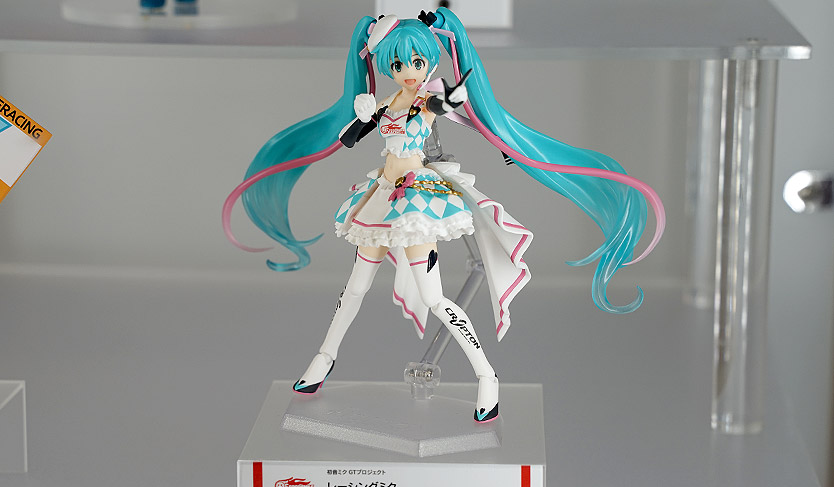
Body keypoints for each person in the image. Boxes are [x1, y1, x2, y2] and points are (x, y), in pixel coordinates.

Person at [223, 9, 665, 423]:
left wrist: (454, 101)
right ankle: (323, 359)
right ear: (386, 65)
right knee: (355, 286)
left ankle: (487, 376)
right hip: (381, 198)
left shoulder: (425, 100)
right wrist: (358, 118)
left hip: (414, 202)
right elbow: (352, 138)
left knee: (435, 298)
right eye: (399, 64)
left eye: (417, 62)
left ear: (430, 62)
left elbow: (444, 107)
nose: (409, 71)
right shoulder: (387, 104)